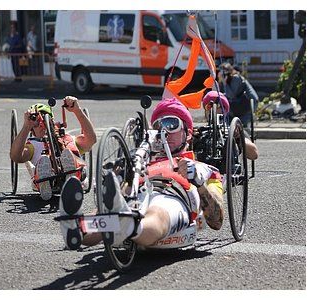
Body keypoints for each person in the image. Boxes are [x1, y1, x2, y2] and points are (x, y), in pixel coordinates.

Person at [58, 97, 224, 250]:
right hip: (137, 193)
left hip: (174, 194)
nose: (164, 132)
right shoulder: (141, 160)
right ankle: (77, 228)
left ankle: (128, 225)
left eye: (172, 124)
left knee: (158, 212)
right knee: (106, 209)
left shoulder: (204, 168)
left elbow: (217, 221)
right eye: (159, 126)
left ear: (187, 134)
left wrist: (199, 182)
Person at [9, 96, 97, 201]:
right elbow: (16, 157)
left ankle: (71, 174)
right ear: (32, 131)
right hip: (47, 179)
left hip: (75, 171)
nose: (42, 126)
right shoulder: (32, 145)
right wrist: (26, 126)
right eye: (37, 124)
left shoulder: (67, 138)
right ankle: (45, 180)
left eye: (45, 123)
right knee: (44, 162)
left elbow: (91, 140)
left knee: (68, 151)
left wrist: (77, 111)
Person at [199, 90, 259, 161]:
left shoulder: (234, 129)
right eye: (209, 106)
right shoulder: (201, 132)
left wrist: (239, 137)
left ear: (225, 110)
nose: (213, 109)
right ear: (205, 111)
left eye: (219, 106)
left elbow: (254, 155)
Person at [218, 62, 259, 131]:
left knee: (242, 126)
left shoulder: (236, 78)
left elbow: (231, 95)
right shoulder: (229, 79)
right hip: (241, 103)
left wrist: (224, 83)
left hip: (249, 104)